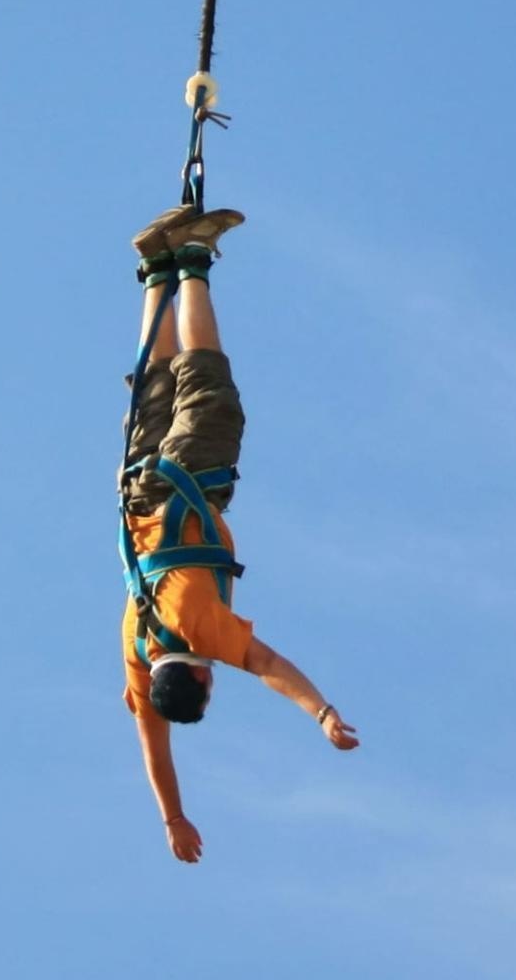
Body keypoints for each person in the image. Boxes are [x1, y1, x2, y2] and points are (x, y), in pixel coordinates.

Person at [118, 203, 359, 864]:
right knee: (160, 382)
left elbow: (271, 668)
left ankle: (192, 258)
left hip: (191, 479)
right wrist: (173, 817)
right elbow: (152, 745)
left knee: (206, 381)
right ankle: (157, 264)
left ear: (202, 679)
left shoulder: (205, 635)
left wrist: (321, 712)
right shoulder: (138, 651)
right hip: (140, 485)